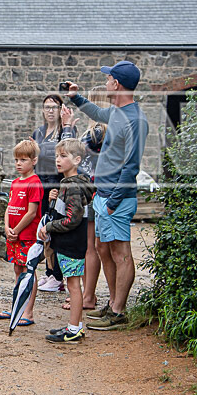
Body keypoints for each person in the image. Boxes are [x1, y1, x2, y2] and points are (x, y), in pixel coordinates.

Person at [65, 60, 150, 330]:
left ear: (117, 84)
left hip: (117, 198)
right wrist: (76, 97)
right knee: (103, 248)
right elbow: (97, 111)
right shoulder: (117, 112)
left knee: (120, 252)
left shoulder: (136, 120)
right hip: (103, 194)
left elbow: (131, 165)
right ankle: (113, 302)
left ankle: (118, 311)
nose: (105, 83)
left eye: (108, 79)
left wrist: (113, 201)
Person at [40, 139, 94, 343]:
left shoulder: (73, 187)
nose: (58, 160)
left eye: (64, 156)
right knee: (73, 285)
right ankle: (76, 325)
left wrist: (49, 227)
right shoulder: (69, 184)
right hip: (70, 243)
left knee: (73, 286)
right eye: (57, 156)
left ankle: (73, 330)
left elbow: (73, 219)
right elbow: (63, 211)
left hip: (71, 243)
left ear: (77, 160)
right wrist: (54, 198)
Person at [70, 85, 109, 314]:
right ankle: (88, 293)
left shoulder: (97, 132)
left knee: (90, 247)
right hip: (94, 191)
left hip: (90, 191)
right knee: (93, 246)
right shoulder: (104, 131)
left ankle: (88, 294)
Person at [0, 140, 43, 326]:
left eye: (23, 159)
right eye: (16, 159)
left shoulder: (34, 183)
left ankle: (28, 312)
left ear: (33, 161)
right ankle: (17, 307)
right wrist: (7, 228)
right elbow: (9, 207)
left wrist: (17, 230)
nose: (18, 163)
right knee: (17, 269)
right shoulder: (15, 182)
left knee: (28, 271)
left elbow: (32, 212)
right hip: (14, 235)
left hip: (27, 236)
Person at [32, 94, 76, 292]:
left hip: (57, 185)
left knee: (54, 229)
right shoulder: (39, 132)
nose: (50, 110)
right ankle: (50, 272)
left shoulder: (65, 131)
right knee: (43, 230)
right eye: (47, 107)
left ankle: (58, 276)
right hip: (41, 184)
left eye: (54, 107)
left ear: (61, 110)